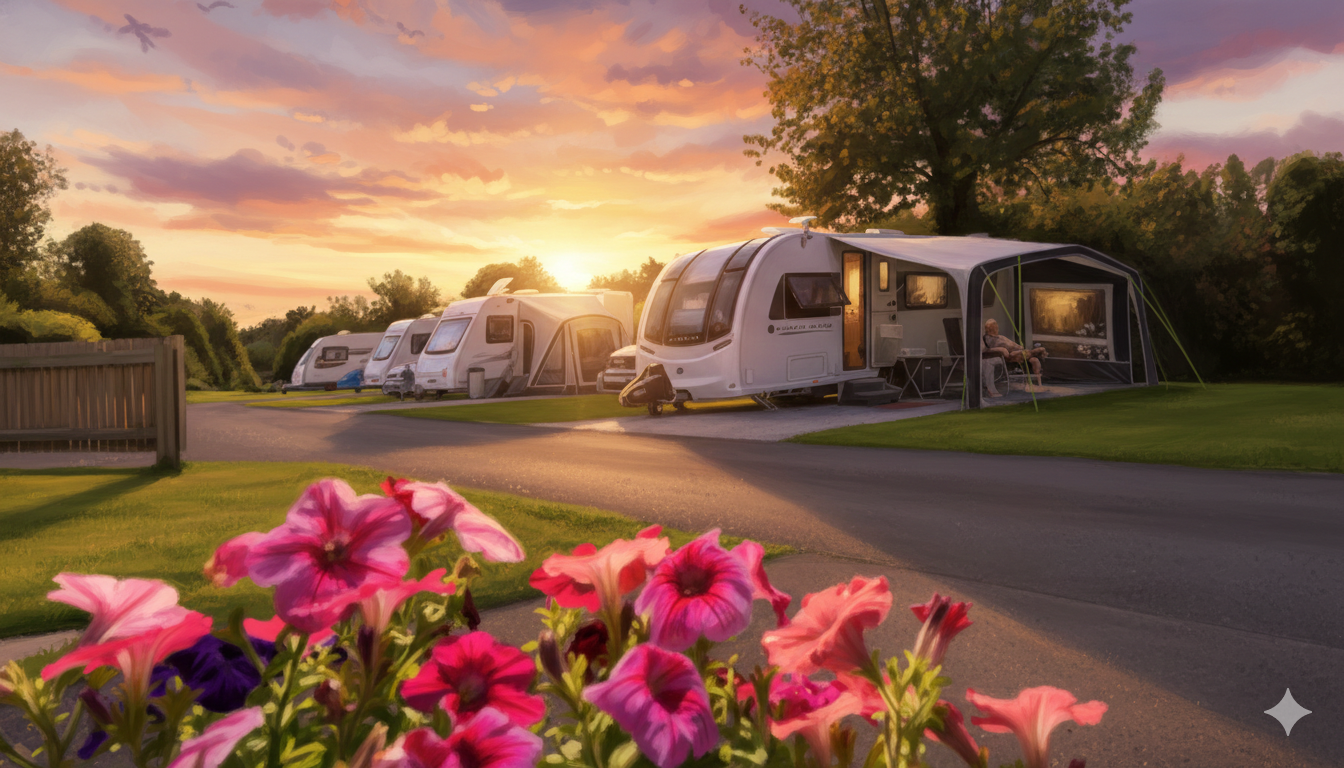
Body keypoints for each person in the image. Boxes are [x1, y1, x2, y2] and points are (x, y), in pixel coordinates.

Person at [982, 319, 1047, 378]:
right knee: (1035, 351)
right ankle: (1033, 352)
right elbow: (992, 347)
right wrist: (1004, 350)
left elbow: (1010, 343)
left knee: (1034, 360)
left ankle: (1038, 383)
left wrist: (1018, 347)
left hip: (1017, 351)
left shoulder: (1000, 337)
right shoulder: (989, 338)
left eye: (996, 327)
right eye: (994, 327)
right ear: (989, 329)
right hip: (1011, 354)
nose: (996, 328)